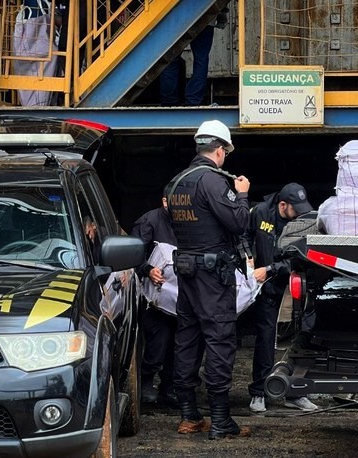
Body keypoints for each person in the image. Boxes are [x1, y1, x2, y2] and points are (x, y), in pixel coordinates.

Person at [165, 119, 251, 439]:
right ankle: (220, 421)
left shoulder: (176, 183)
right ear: (219, 151)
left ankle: (189, 415)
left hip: (186, 272)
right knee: (219, 339)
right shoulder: (212, 182)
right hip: (213, 276)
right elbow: (239, 222)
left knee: (187, 338)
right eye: (225, 152)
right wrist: (241, 194)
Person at [245, 183, 319, 413]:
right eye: (294, 208)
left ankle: (296, 393)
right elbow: (244, 235)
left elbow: (304, 257)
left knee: (303, 340)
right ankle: (259, 392)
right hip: (265, 288)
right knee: (266, 339)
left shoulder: (307, 220)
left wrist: (269, 268)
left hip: (297, 286)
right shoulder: (259, 212)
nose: (299, 212)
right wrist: (247, 255)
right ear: (282, 204)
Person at [131, 190, 178, 406]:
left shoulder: (191, 220)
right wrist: (148, 269)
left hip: (180, 292)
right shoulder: (149, 220)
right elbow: (134, 252)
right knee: (158, 341)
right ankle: (146, 382)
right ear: (165, 201)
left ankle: (169, 386)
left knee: (180, 343)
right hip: (154, 296)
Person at [159, 8, 228, 106]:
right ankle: (194, 100)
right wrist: (222, 14)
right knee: (201, 60)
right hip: (206, 17)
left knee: (171, 60)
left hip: (176, 17)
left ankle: (169, 102)